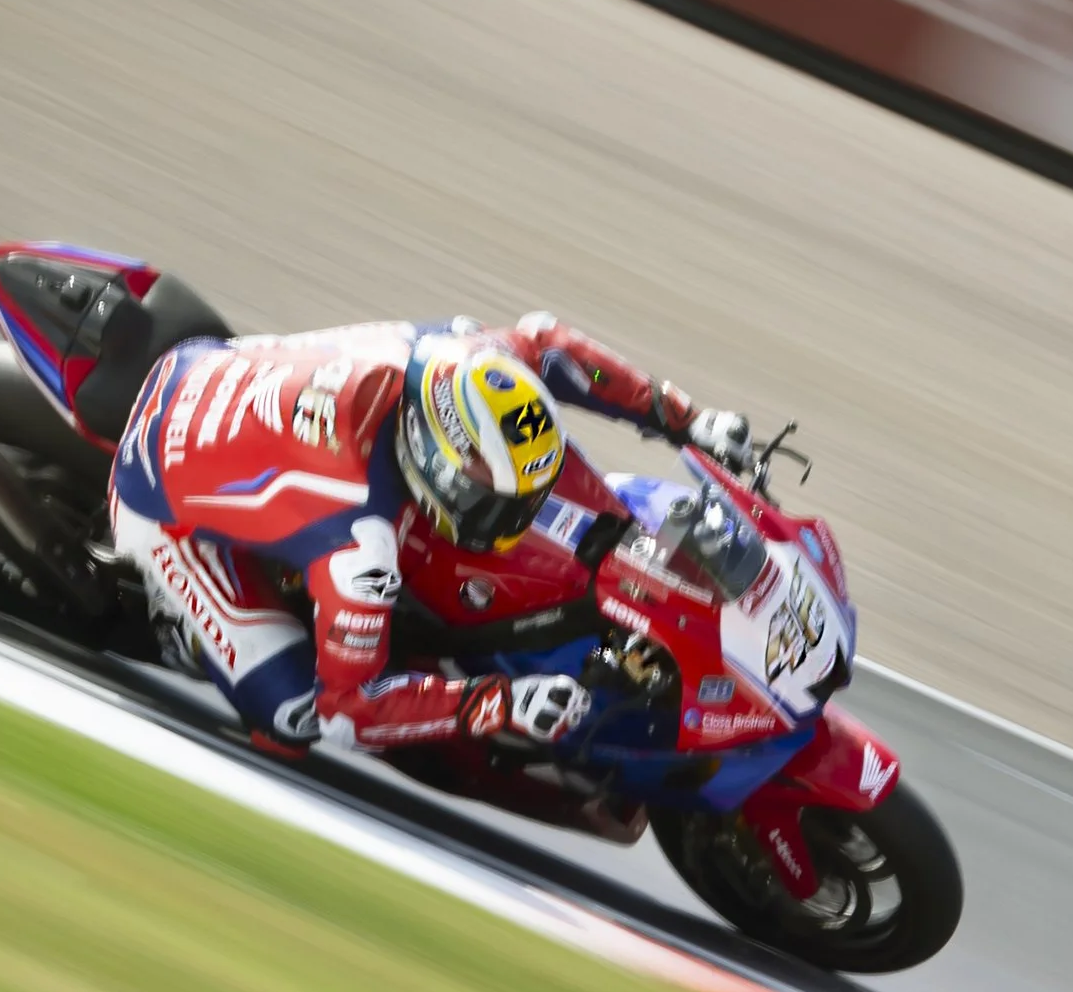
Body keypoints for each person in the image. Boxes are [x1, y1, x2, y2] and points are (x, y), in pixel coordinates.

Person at [107, 312, 751, 761]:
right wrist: (503, 702)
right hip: (158, 492)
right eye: (494, 504)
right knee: (293, 717)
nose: (513, 523)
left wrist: (688, 421)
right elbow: (348, 712)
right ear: (429, 458)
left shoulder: (462, 362)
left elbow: (551, 346)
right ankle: (178, 624)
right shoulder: (361, 543)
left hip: (215, 368)